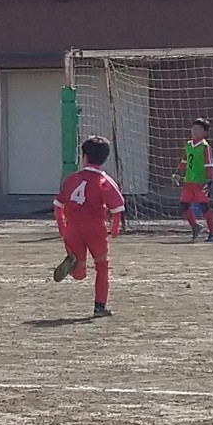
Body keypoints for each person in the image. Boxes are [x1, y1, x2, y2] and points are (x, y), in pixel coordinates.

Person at [53, 135, 126, 318]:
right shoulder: (104, 180)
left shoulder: (72, 179)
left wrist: (62, 226)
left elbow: (58, 205)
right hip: (95, 228)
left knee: (80, 273)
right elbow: (117, 208)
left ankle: (74, 267)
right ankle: (99, 307)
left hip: (73, 227)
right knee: (102, 265)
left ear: (83, 157)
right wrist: (115, 229)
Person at [174, 117, 213, 242]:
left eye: (198, 129)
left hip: (200, 181)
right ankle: (195, 226)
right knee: (183, 205)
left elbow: (209, 165)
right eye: (193, 128)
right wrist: (178, 172)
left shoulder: (204, 147)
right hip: (188, 180)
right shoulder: (188, 145)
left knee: (204, 206)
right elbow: (184, 161)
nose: (194, 131)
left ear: (205, 133)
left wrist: (209, 180)